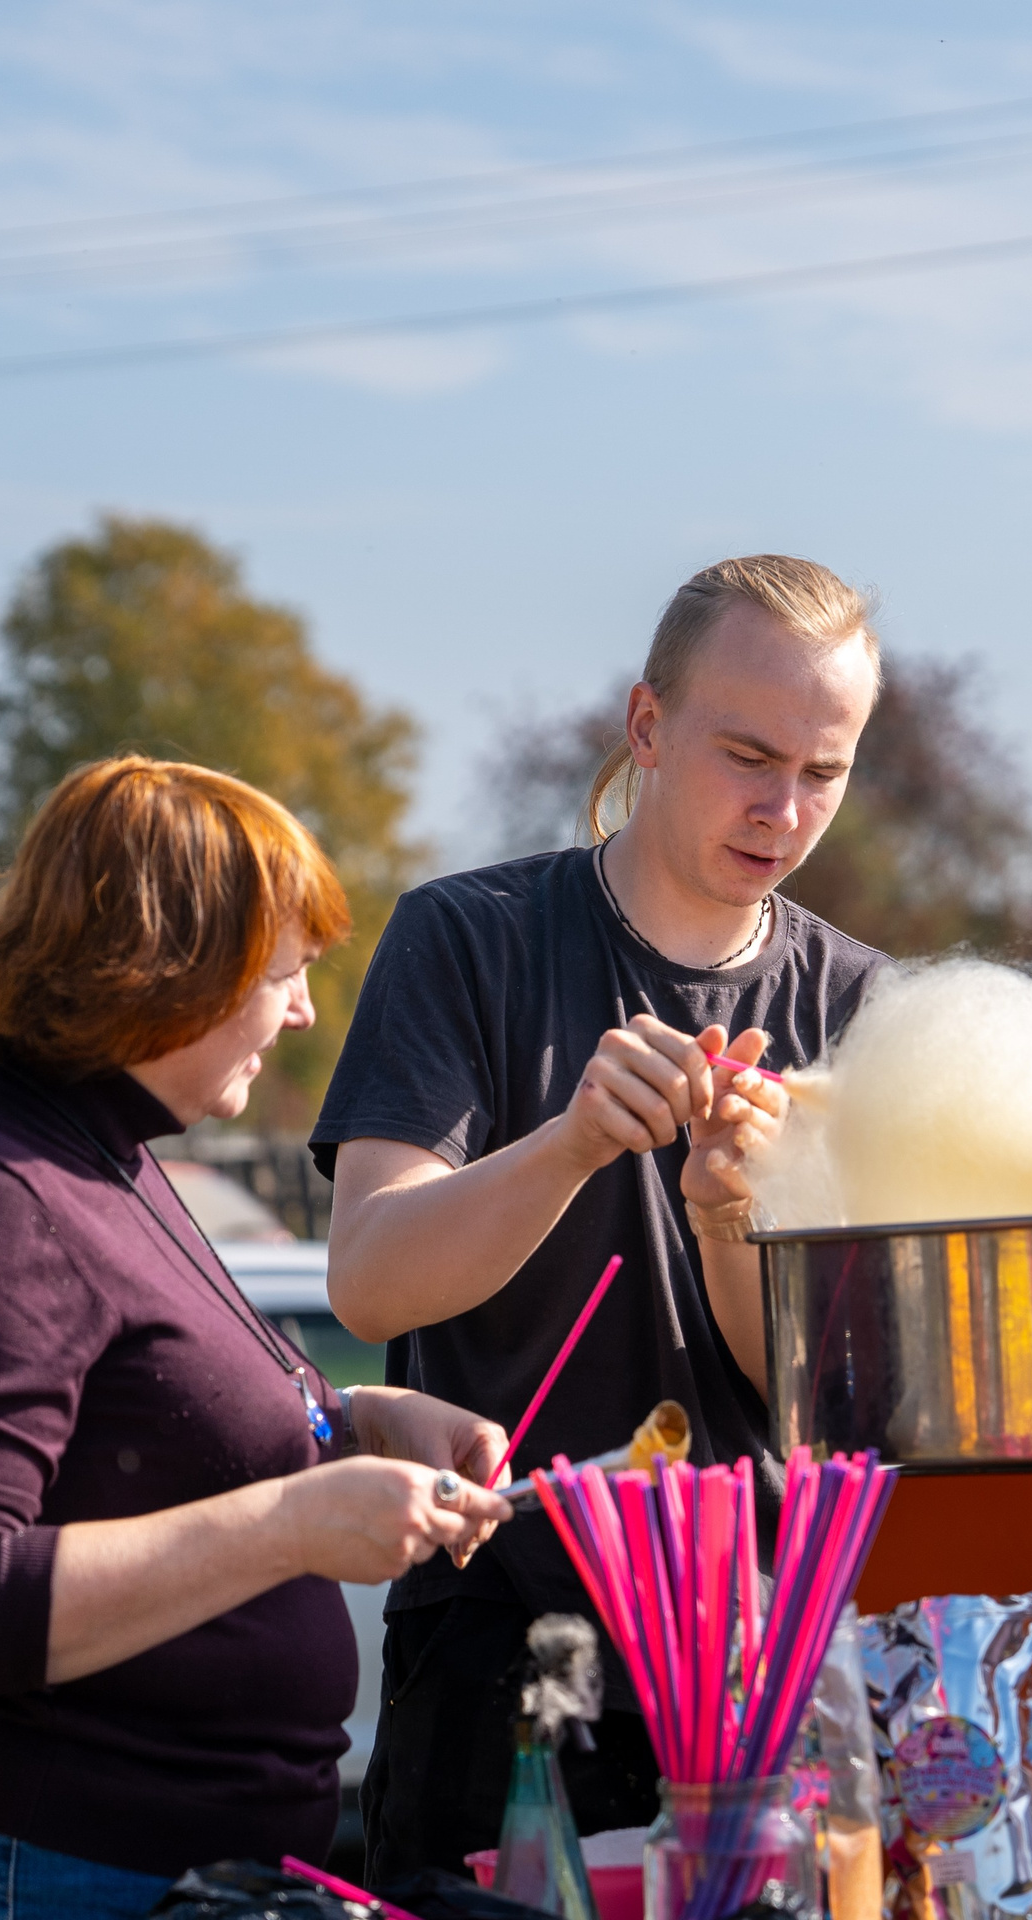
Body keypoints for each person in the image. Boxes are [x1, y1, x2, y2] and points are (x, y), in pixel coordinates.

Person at [0, 757, 512, 1920]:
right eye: (282, 972)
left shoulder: (95, 1149)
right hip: (26, 1869)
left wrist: (351, 1425)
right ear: (176, 967)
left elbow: (146, 1432)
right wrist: (292, 1525)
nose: (301, 1011)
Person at [314, 555, 893, 1875]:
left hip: (753, 1658)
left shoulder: (863, 1008)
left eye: (825, 771)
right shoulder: (470, 938)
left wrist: (724, 1214)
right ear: (647, 728)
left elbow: (826, 1401)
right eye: (748, 755)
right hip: (494, 1649)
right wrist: (570, 1145)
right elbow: (370, 1280)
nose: (784, 809)